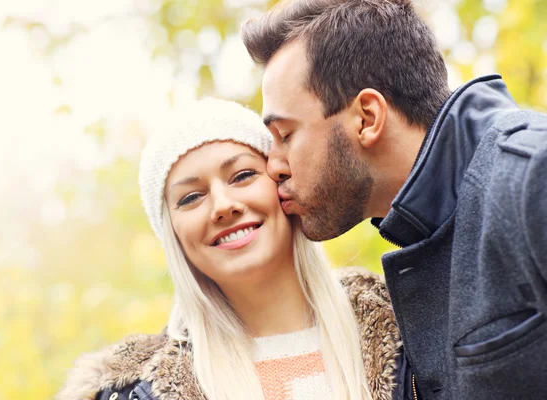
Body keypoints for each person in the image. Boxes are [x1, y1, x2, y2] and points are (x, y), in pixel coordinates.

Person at [241, 0, 547, 399]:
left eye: (286, 135)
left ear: (367, 118)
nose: (274, 166)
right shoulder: (428, 229)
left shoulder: (529, 175)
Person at [56, 98, 411, 400]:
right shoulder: (129, 389)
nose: (223, 206)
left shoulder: (412, 327)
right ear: (173, 234)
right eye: (191, 197)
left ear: (282, 185)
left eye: (242, 176)